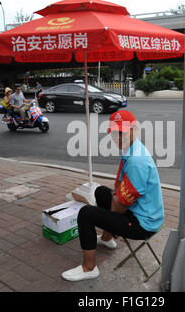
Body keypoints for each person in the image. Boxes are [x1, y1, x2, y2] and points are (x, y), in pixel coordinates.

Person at [62, 110, 164, 282]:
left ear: (133, 129)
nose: (118, 137)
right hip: (139, 210)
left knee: (86, 214)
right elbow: (120, 191)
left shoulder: (136, 161)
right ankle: (107, 239)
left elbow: (120, 206)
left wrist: (106, 216)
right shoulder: (133, 148)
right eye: (115, 132)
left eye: (122, 132)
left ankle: (89, 268)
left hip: (143, 224)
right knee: (100, 191)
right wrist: (111, 207)